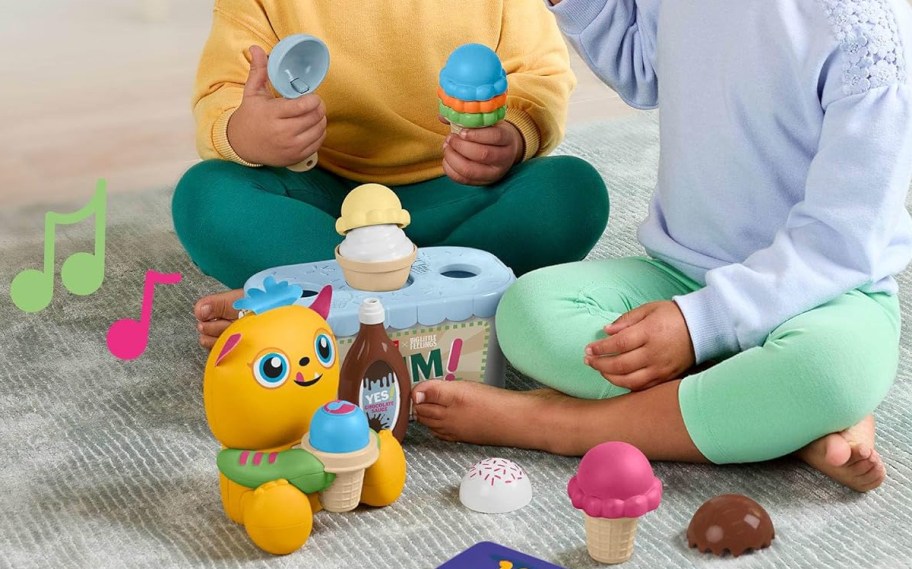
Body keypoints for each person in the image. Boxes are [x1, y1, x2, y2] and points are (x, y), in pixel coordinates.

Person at [412, 0, 912, 493]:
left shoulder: (869, 34)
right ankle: (768, 414)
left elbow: (841, 243)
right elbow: (641, 64)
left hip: (825, 295)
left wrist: (700, 327)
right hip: (685, 274)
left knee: (828, 373)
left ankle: (558, 423)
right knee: (528, 312)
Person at [173, 0, 608, 349]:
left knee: (572, 194)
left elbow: (541, 75)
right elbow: (224, 91)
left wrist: (512, 135)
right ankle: (435, 301)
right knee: (205, 196)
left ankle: (318, 304)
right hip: (324, 204)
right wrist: (248, 131)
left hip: (456, 193)